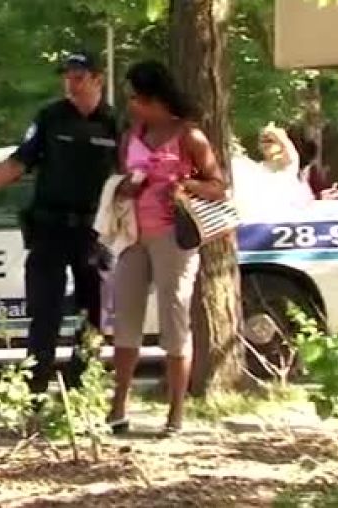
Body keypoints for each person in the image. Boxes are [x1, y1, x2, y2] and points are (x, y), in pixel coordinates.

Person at [0, 50, 118, 394]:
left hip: (94, 230)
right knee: (45, 312)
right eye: (67, 77)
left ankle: (82, 389)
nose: (70, 84)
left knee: (94, 314)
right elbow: (17, 164)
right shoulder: (50, 118)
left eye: (79, 77)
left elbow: (129, 175)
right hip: (50, 228)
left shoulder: (115, 124)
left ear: (98, 79)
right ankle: (36, 392)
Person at [105, 60, 227, 437]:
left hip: (173, 236)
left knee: (174, 319)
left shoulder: (190, 136)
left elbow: (218, 186)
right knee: (126, 317)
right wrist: (126, 187)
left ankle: (176, 412)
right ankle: (118, 404)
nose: (131, 106)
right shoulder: (131, 136)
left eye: (136, 98)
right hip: (132, 235)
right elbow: (121, 178)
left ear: (153, 98)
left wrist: (185, 186)